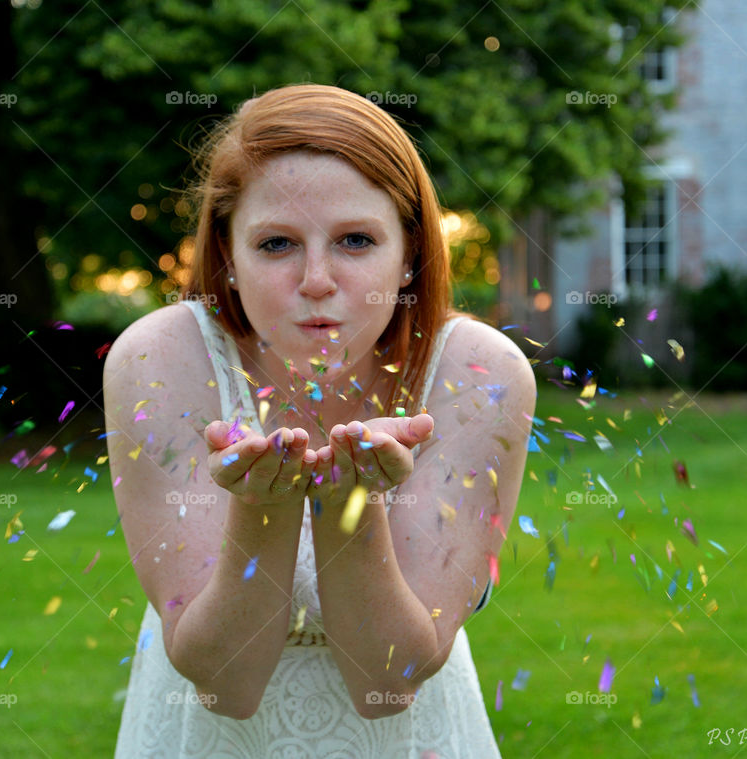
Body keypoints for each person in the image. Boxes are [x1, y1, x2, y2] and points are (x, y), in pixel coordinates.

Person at [105, 83, 537, 759]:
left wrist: (349, 505)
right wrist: (265, 509)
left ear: (409, 253)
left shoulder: (478, 372)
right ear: (227, 255)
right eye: (276, 243)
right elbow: (227, 682)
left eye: (356, 240)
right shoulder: (162, 359)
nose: (315, 279)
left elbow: (384, 683)